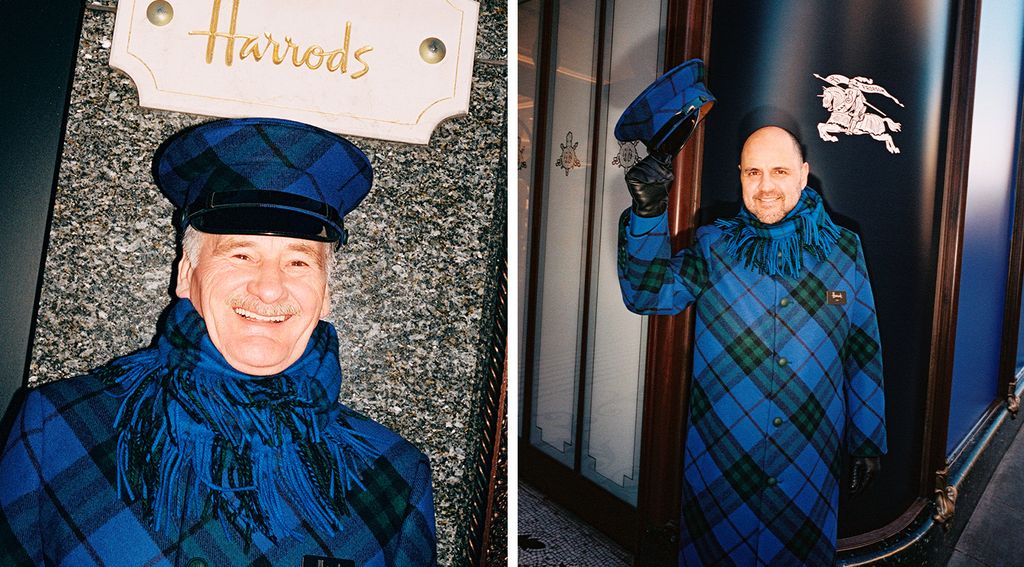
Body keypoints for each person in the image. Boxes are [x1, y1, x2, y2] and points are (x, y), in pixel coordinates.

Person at [0, 118, 437, 566]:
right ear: (187, 276)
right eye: (241, 254)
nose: (270, 289)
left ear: (325, 295)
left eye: (299, 262)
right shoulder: (59, 430)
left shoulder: (397, 478)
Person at [617, 125, 887, 566]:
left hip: (809, 454)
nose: (765, 187)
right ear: (739, 176)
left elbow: (863, 349)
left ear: (803, 174)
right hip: (721, 453)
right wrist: (648, 211)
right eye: (753, 173)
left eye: (779, 171)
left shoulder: (844, 249)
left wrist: (867, 439)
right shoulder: (713, 245)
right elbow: (646, 294)